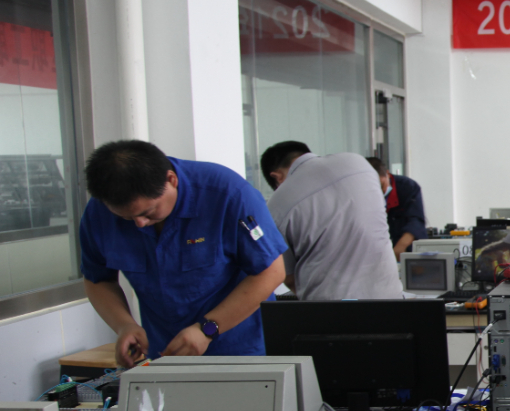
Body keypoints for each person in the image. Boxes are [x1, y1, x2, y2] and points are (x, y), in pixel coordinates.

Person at [79, 140, 287, 368]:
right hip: (165, 353)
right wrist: (124, 325)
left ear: (171, 180)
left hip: (240, 351)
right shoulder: (99, 212)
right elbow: (97, 279)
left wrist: (208, 329)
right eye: (126, 218)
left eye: (148, 212)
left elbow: (272, 272)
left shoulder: (228, 194)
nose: (139, 223)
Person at [260, 141, 403, 300]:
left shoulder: (277, 204)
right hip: (390, 298)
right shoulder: (358, 162)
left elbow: (287, 276)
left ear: (276, 176)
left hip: (329, 307)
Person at [366, 157, 429, 259]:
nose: (379, 192)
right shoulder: (361, 195)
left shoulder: (408, 187)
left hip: (409, 251)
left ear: (387, 174)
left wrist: (401, 245)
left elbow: (416, 220)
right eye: (373, 189)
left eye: (382, 186)